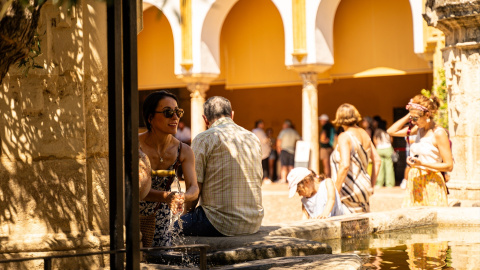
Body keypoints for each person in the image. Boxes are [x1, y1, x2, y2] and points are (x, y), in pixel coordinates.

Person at [179, 96, 264, 236]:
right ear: (232, 115)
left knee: (170, 232)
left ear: (205, 119)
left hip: (219, 223)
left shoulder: (204, 138)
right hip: (253, 222)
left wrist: (185, 216)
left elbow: (195, 188)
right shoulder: (252, 138)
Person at [138, 90, 199, 247]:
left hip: (161, 218)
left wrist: (182, 197)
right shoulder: (134, 146)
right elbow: (132, 189)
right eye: (168, 112)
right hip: (132, 217)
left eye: (178, 112)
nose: (175, 117)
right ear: (150, 117)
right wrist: (166, 196)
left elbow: (194, 187)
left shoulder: (183, 151)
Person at [387, 95, 452, 207]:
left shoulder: (439, 133)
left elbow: (449, 166)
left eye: (415, 118)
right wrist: (411, 113)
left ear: (427, 115)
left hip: (432, 181)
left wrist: (422, 164)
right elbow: (391, 131)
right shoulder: (418, 129)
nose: (412, 121)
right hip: (415, 181)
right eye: (411, 119)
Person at [330, 103, 381, 214]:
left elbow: (344, 165)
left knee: (346, 227)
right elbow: (377, 160)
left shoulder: (345, 136)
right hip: (364, 187)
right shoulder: (365, 134)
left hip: (349, 189)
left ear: (339, 117)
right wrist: (371, 185)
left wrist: (335, 192)